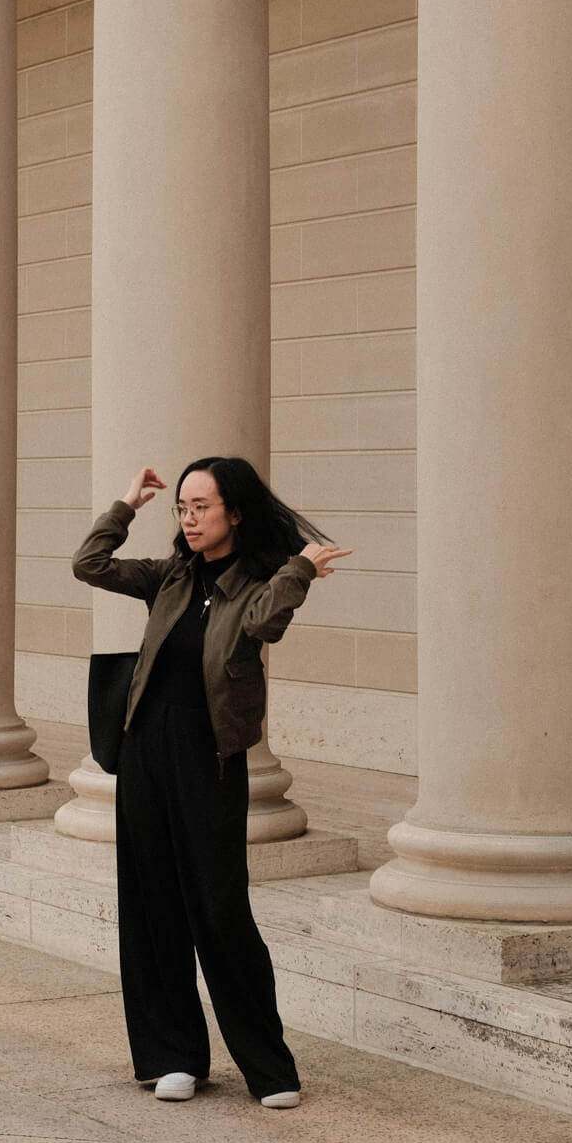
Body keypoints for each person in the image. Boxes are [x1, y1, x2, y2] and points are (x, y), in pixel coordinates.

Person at [71, 456, 351, 1108]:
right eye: (183, 506)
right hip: (145, 756)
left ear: (236, 512)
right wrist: (125, 506)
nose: (189, 517)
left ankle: (268, 1066)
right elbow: (91, 564)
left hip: (208, 762)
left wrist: (299, 570)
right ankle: (173, 1056)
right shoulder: (169, 576)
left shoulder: (257, 582)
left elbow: (261, 625)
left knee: (221, 912)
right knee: (152, 906)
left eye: (202, 505)